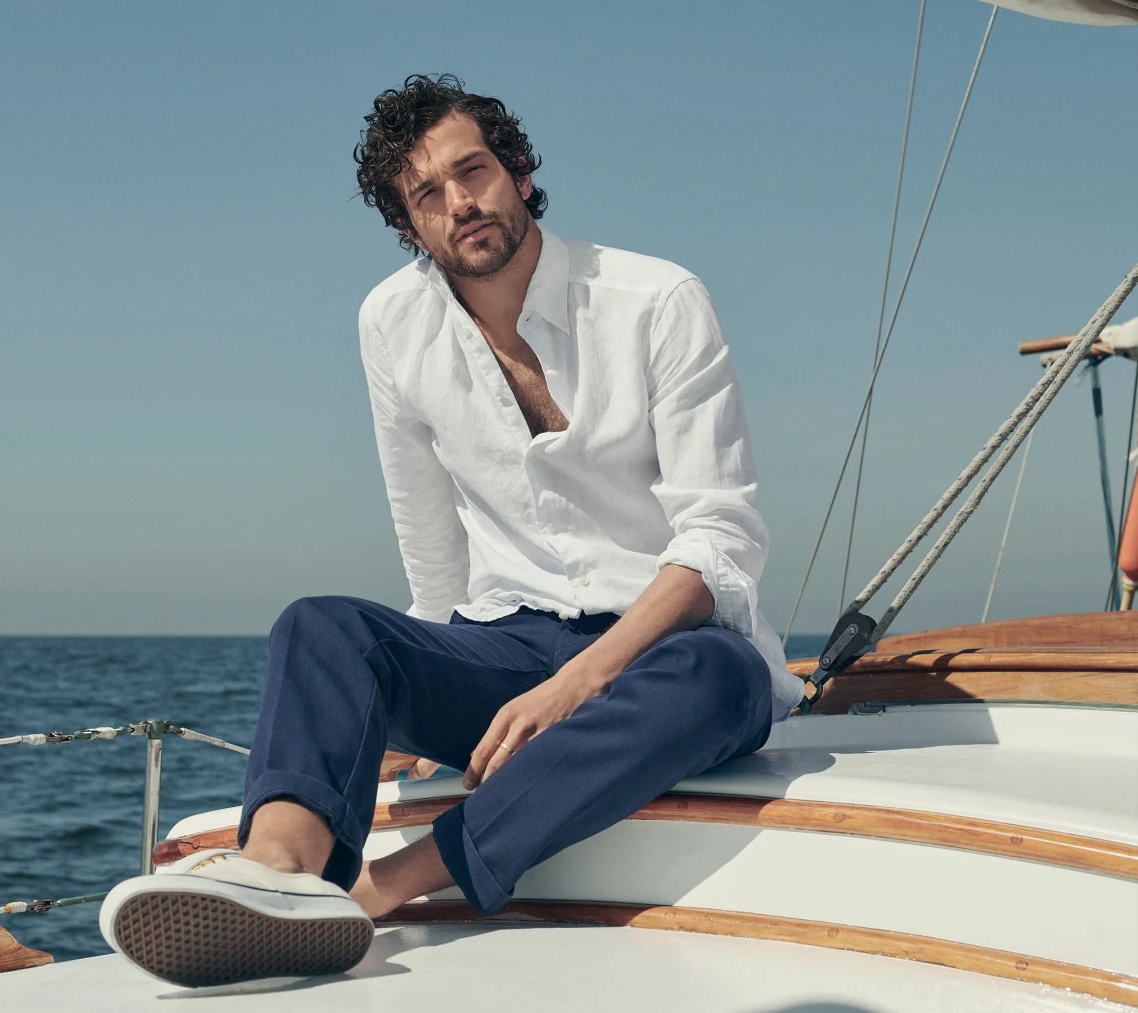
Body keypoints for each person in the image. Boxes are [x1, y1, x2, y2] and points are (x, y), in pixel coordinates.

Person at [99, 72, 804, 988]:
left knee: (720, 675)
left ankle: (382, 888)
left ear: (514, 169)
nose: (458, 201)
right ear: (409, 223)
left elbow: (719, 539)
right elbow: (429, 538)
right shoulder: (392, 323)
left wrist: (583, 681)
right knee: (322, 625)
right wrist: (406, 694)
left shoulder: (655, 299)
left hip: (666, 645)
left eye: (472, 171)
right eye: (427, 193)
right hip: (507, 644)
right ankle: (276, 874)